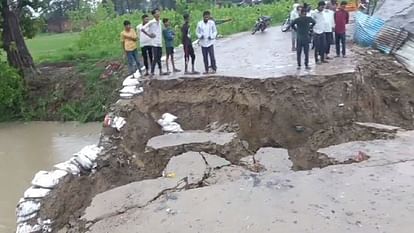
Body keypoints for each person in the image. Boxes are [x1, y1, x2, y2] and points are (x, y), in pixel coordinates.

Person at [141, 8, 168, 76]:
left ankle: (160, 70)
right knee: (155, 57)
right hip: (154, 42)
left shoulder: (160, 21)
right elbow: (142, 29)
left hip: (159, 42)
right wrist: (149, 35)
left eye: (158, 12)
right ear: (153, 14)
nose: (158, 13)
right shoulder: (151, 22)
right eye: (156, 12)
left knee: (159, 57)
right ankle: (152, 71)